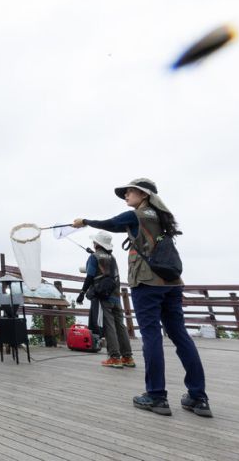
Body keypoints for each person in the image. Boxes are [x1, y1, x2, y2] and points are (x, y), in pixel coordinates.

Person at [72, 178, 212, 418]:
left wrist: (84, 222)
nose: (126, 195)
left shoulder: (137, 215)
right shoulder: (163, 216)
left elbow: (110, 224)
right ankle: (198, 398)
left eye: (130, 191)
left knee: (151, 336)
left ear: (144, 194)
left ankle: (156, 396)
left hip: (147, 284)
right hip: (172, 283)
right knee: (180, 336)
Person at [76, 231, 134, 369]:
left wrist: (82, 293)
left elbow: (90, 276)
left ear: (97, 244)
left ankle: (114, 357)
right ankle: (128, 357)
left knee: (109, 326)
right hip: (116, 295)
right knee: (120, 325)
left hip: (103, 297)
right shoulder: (112, 257)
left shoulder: (94, 257)